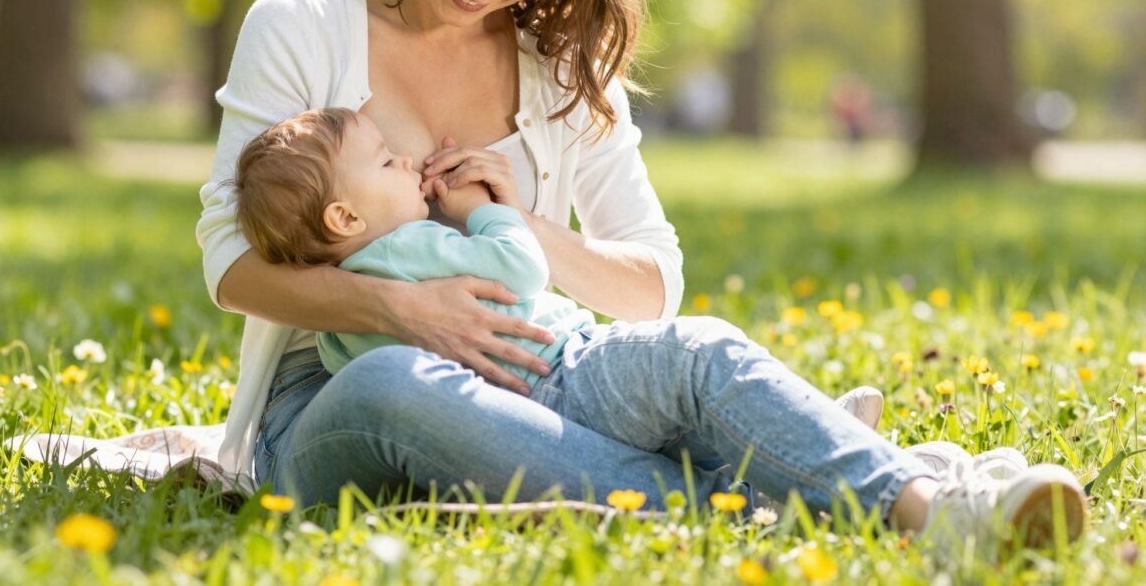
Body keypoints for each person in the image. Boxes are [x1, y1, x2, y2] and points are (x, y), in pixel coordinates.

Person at [197, 0, 1086, 550]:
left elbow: (651, 286)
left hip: (541, 371)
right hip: (334, 402)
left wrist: (523, 227)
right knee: (396, 379)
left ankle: (930, 506)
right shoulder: (304, 21)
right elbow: (232, 268)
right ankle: (781, 495)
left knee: (692, 350)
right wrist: (402, 308)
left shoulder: (560, 68)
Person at [232, 106, 888, 424]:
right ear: (344, 219)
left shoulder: (334, 320)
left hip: (512, 404)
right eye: (384, 162)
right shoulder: (417, 245)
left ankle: (812, 430)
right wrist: (486, 212)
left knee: (680, 423)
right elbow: (522, 273)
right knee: (695, 367)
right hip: (564, 363)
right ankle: (817, 424)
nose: (405, 162)